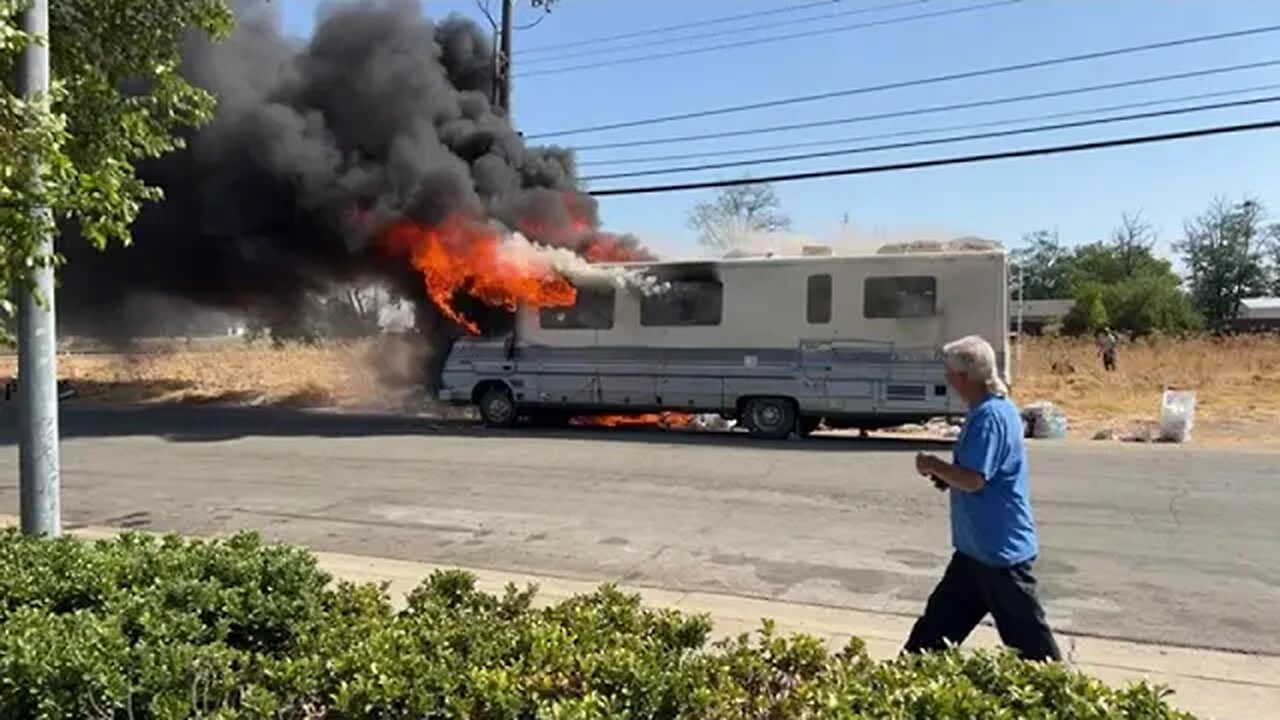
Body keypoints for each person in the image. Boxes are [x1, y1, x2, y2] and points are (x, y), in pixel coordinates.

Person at [904, 334, 1062, 662]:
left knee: (1035, 656)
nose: (947, 379)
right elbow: (975, 474)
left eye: (950, 373)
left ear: (964, 377)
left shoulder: (991, 417)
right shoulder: (990, 411)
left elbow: (975, 480)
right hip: (974, 555)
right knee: (929, 640)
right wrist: (948, 478)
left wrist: (933, 464)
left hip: (1001, 558)